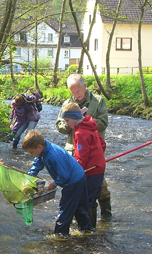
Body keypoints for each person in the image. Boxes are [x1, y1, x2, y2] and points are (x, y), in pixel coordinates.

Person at [55, 73, 111, 218]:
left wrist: (83, 122)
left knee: (100, 187)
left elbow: (103, 123)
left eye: (77, 91)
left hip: (93, 153)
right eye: (72, 92)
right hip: (73, 152)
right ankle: (77, 217)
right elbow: (59, 126)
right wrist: (71, 123)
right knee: (74, 186)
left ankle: (106, 216)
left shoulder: (98, 101)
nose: (75, 94)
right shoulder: (67, 103)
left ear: (84, 86)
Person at [23, 129, 93, 238]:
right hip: (77, 178)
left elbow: (64, 176)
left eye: (31, 152)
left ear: (39, 147)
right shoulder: (43, 150)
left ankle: (61, 236)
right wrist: (29, 179)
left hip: (74, 182)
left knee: (65, 210)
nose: (31, 155)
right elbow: (37, 165)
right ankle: (87, 231)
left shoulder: (52, 155)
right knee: (79, 208)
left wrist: (54, 183)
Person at [61, 102, 106, 228]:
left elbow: (82, 156)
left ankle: (89, 229)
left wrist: (75, 172)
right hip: (99, 167)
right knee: (93, 199)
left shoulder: (80, 133)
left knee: (88, 200)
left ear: (75, 117)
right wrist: (98, 159)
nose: (66, 124)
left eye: (67, 120)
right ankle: (91, 227)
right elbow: (102, 144)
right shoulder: (90, 125)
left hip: (90, 171)